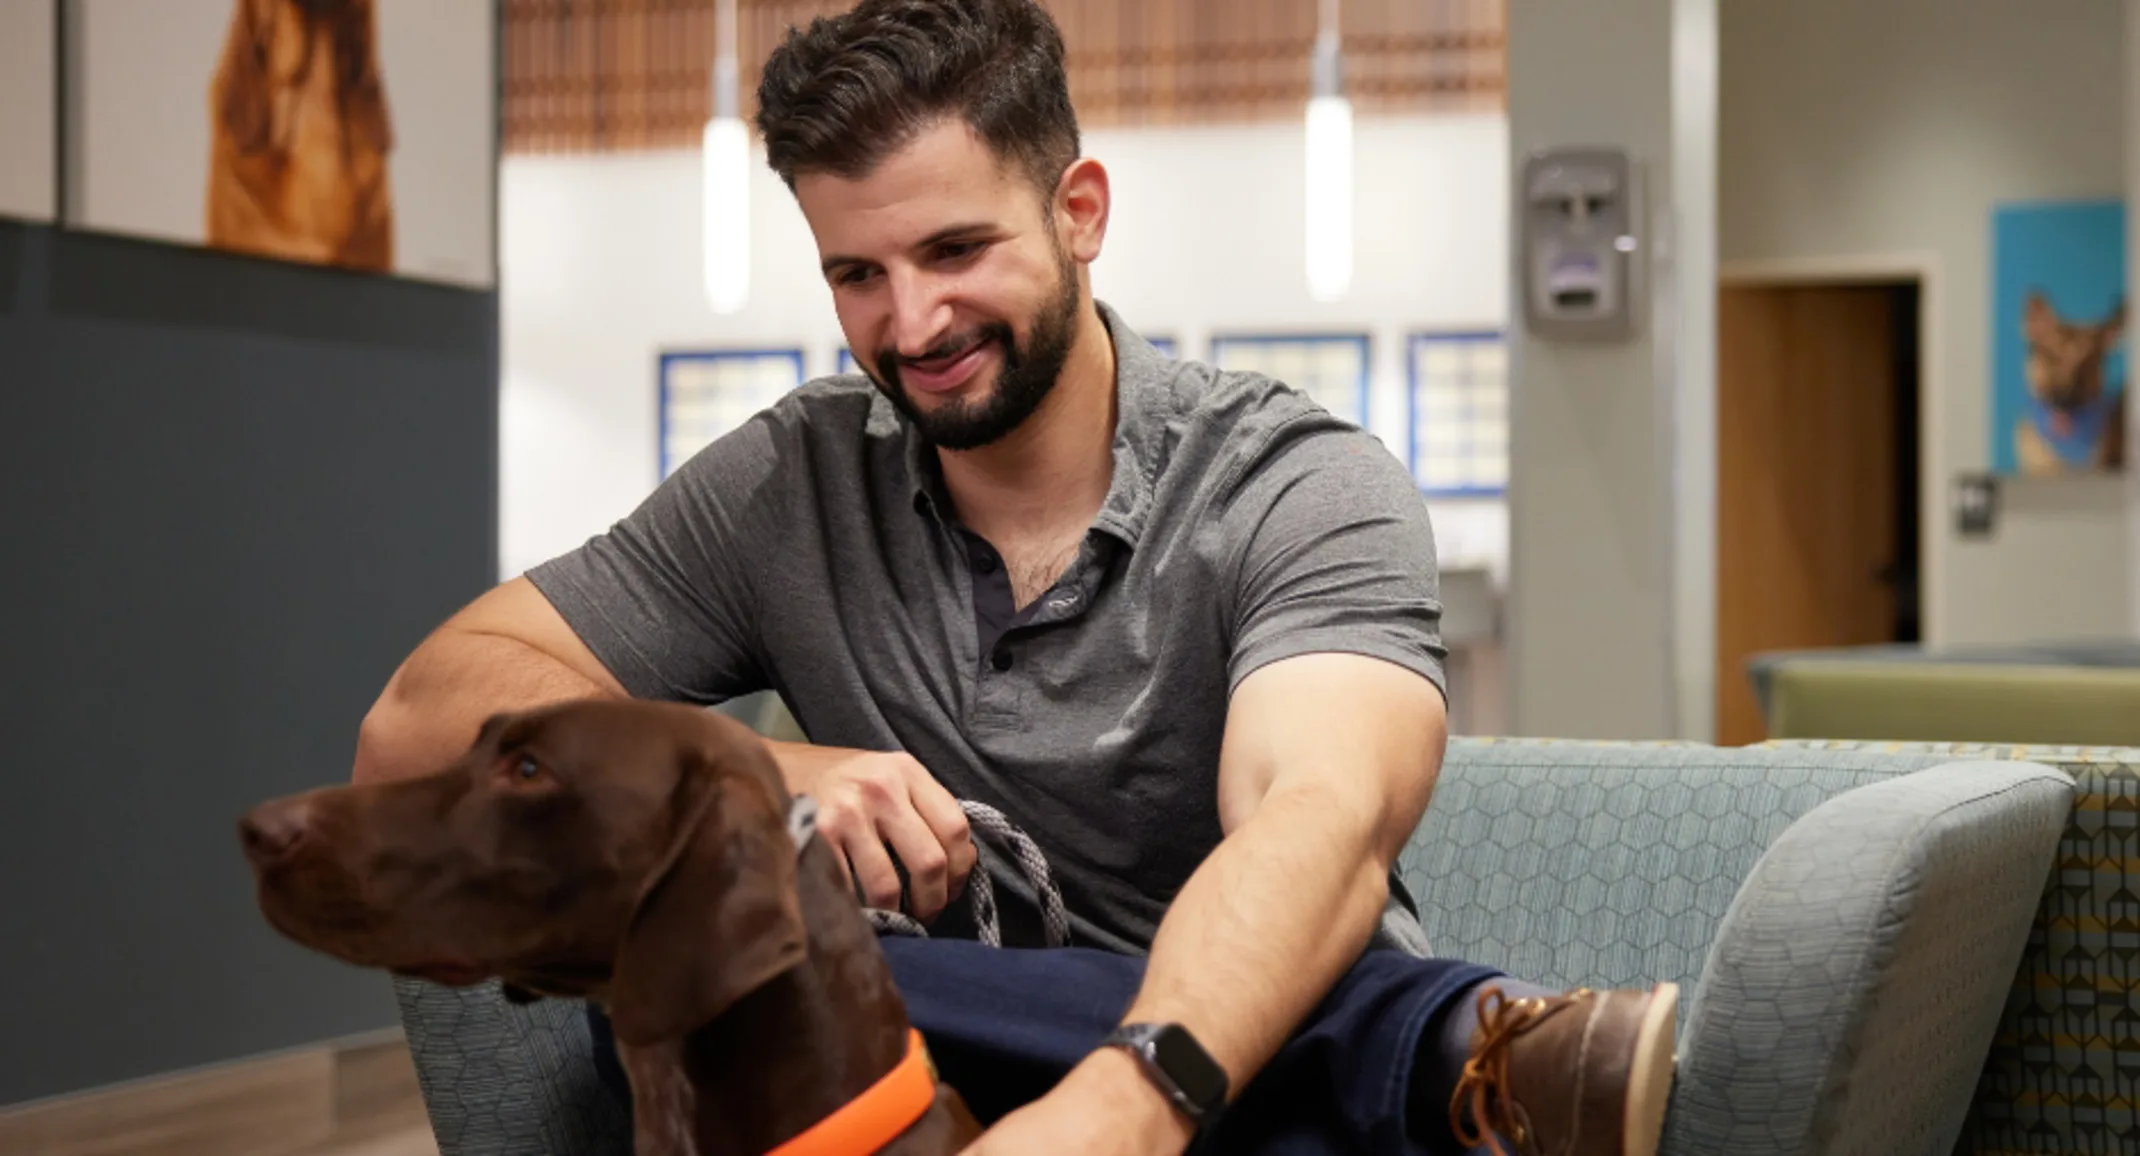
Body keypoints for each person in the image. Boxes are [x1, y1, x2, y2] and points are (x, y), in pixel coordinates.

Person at [351, 1, 1678, 1152]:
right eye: (857, 275)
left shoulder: (1294, 482)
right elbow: (414, 732)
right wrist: (765, 774)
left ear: (1078, 212)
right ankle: (1441, 1044)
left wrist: (1127, 1097)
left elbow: (1316, 823)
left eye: (953, 253)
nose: (911, 325)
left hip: (1239, 1095)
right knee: (699, 968)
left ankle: (1380, 1063)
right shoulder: (787, 487)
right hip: (934, 1107)